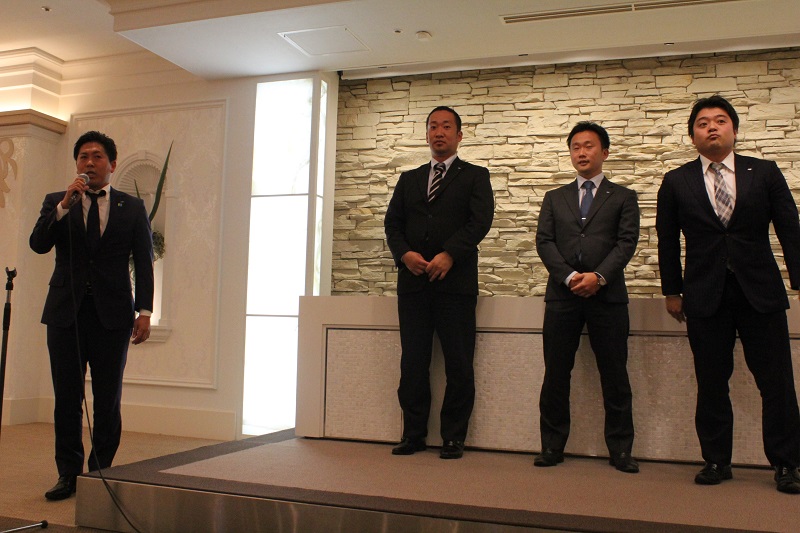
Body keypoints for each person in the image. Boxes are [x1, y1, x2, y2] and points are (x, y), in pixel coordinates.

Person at [656, 95, 800, 493]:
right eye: (703, 123)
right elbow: (666, 240)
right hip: (704, 294)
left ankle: (788, 464)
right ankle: (716, 460)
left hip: (760, 292)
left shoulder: (765, 172)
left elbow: (790, 227)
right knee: (711, 382)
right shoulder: (676, 180)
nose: (712, 128)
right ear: (693, 136)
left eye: (720, 121)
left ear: (734, 130)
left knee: (776, 382)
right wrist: (672, 290)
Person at [30, 131, 154, 500]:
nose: (89, 162)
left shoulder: (132, 207)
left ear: (112, 164)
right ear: (76, 164)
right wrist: (64, 205)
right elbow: (38, 244)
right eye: (83, 156)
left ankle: (100, 471)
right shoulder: (58, 201)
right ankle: (68, 474)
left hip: (112, 315)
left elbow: (144, 262)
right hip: (65, 314)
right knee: (67, 398)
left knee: (107, 398)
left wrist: (144, 311)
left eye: (97, 156)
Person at [384, 106, 494, 459]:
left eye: (446, 126)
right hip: (414, 285)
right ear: (427, 134)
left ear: (459, 135)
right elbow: (392, 224)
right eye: (433, 126)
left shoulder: (475, 176)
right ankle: (413, 434)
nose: (439, 132)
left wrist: (450, 254)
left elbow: (480, 222)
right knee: (413, 363)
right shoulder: (409, 179)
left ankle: (453, 437)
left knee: (458, 364)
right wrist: (404, 254)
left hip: (455, 284)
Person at [534, 121, 640, 473]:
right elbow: (544, 242)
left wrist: (599, 277)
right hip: (562, 297)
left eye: (589, 146)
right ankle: (552, 446)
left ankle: (621, 450)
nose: (581, 152)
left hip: (607, 297)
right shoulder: (554, 197)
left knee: (615, 375)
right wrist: (568, 277)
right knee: (555, 374)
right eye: (575, 146)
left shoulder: (623, 197)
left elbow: (626, 242)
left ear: (604, 152)